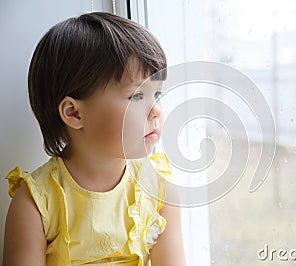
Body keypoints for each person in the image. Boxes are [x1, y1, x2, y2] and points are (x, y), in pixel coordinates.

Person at [3, 12, 185, 266]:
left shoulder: (159, 191)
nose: (156, 110)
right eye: (136, 96)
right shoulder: (35, 204)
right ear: (74, 113)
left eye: (157, 94)